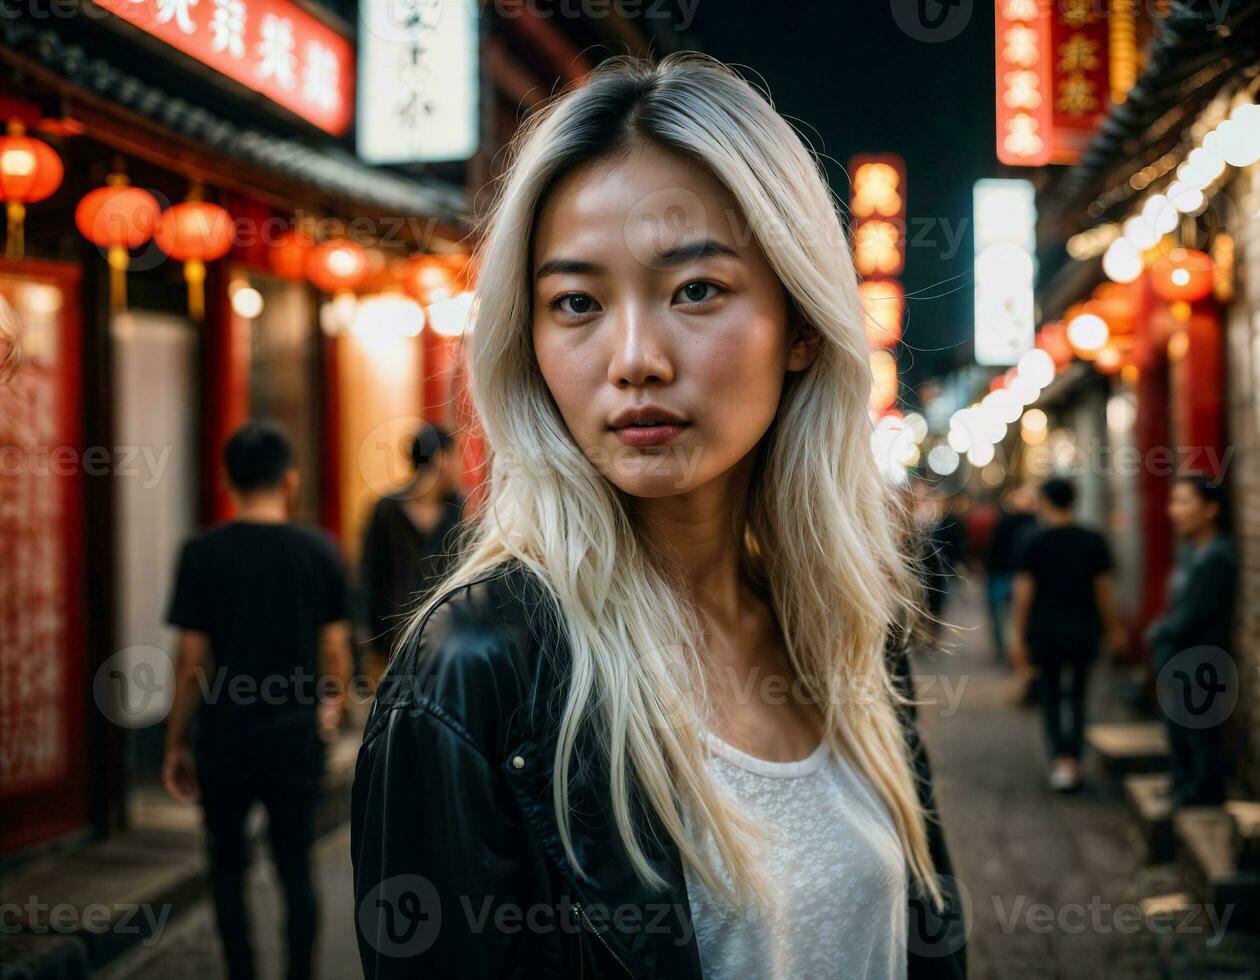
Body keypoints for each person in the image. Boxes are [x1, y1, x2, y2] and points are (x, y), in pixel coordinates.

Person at [351, 53, 965, 979]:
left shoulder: (844, 625)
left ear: (800, 322)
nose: (634, 358)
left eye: (695, 290)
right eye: (577, 303)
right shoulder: (478, 678)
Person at [163, 420, 353, 980]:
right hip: (294, 733)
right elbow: (335, 647)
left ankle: (241, 971)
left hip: (225, 735)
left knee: (226, 865)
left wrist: (174, 740)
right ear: (290, 481)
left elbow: (192, 660)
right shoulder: (318, 550)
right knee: (296, 866)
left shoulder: (202, 553)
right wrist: (332, 706)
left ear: (227, 480)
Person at [1010, 477, 1126, 792]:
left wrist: (1017, 637)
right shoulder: (1092, 540)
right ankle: (1074, 759)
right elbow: (1104, 592)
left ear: (1045, 502)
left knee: (1049, 696)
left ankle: (1060, 759)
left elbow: (1024, 595)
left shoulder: (1032, 542)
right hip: (1083, 630)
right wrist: (1114, 629)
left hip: (1044, 632)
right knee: (1077, 695)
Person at [1146, 474, 1239, 807]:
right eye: (1173, 502)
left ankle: (1199, 794)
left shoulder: (1217, 558)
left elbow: (1190, 615)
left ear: (1212, 509)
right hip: (1179, 659)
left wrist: (1158, 631)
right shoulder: (1191, 554)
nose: (1175, 511)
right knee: (1178, 730)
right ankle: (1183, 785)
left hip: (1200, 660)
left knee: (1199, 733)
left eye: (1185, 502)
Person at [358, 423, 465, 684]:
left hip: (447, 639)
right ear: (441, 460)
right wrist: (371, 645)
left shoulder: (457, 511)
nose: (460, 467)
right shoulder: (386, 510)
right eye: (456, 457)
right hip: (393, 642)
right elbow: (368, 577)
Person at [983, 486, 1038, 664]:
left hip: (1001, 575)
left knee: (1000, 615)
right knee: (1016, 615)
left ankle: (1004, 652)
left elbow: (992, 549)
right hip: (1017, 575)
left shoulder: (1003, 522)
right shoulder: (1036, 525)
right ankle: (1016, 650)